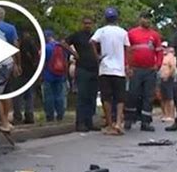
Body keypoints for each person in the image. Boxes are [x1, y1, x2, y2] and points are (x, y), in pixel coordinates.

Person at [90, 7, 130, 135]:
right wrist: (127, 65)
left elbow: (91, 41)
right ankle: (118, 122)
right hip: (119, 69)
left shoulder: (101, 31)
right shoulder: (123, 32)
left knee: (106, 97)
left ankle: (110, 123)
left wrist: (97, 56)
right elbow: (128, 48)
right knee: (120, 98)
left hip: (105, 68)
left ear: (106, 18)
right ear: (117, 18)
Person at [124, 12, 163, 132]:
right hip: (135, 69)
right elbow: (126, 50)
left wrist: (157, 65)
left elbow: (159, 52)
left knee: (148, 96)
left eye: (149, 19)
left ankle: (146, 122)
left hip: (150, 70)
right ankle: (129, 119)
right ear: (140, 19)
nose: (147, 21)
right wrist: (127, 66)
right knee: (132, 94)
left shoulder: (155, 35)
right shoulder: (131, 33)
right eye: (145, 18)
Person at [64, 17, 100, 132]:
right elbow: (63, 43)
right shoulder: (77, 35)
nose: (87, 25)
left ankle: (89, 122)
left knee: (92, 97)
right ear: (82, 24)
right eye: (85, 23)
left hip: (94, 69)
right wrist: (74, 53)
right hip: (82, 68)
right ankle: (80, 122)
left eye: (89, 23)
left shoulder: (95, 36)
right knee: (82, 96)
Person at [0, 7, 22, 126]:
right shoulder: (10, 28)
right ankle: (5, 118)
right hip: (8, 62)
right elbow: (15, 46)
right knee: (7, 91)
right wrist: (18, 64)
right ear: (3, 16)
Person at [42, 30, 77, 122]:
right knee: (60, 95)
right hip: (61, 75)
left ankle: (50, 116)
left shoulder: (46, 47)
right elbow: (65, 60)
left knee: (49, 96)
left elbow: (42, 62)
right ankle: (60, 115)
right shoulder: (61, 47)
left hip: (48, 74)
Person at [13, 30, 39, 124]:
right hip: (30, 72)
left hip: (20, 72)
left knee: (17, 95)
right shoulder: (32, 43)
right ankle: (29, 115)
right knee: (30, 95)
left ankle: (17, 116)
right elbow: (36, 57)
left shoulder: (18, 44)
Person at [159, 43, 177, 123]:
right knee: (163, 98)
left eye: (164, 47)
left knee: (170, 97)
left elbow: (173, 68)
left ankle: (171, 115)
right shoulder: (161, 57)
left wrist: (168, 76)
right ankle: (164, 114)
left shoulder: (170, 57)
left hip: (169, 79)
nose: (163, 49)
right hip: (161, 79)